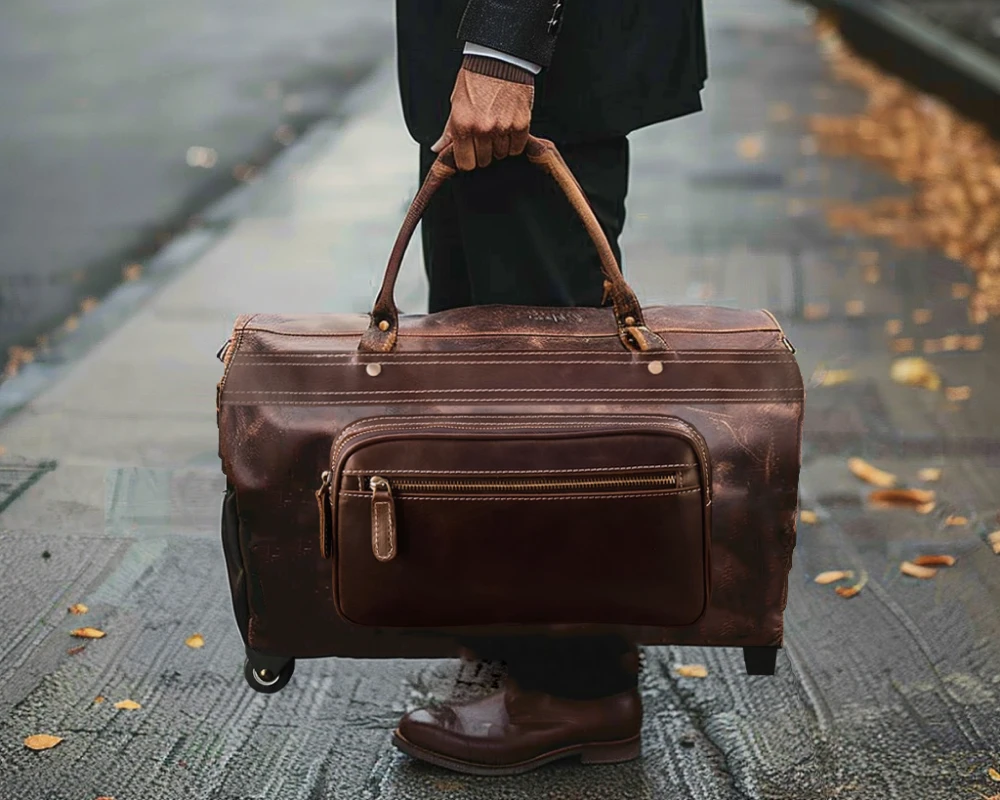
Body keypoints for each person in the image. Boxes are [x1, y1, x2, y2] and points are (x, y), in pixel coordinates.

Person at [391, 0, 708, 775]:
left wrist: (506, 46)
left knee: (540, 400)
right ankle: (521, 640)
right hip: (498, 54)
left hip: (535, 58)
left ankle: (575, 687)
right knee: (489, 373)